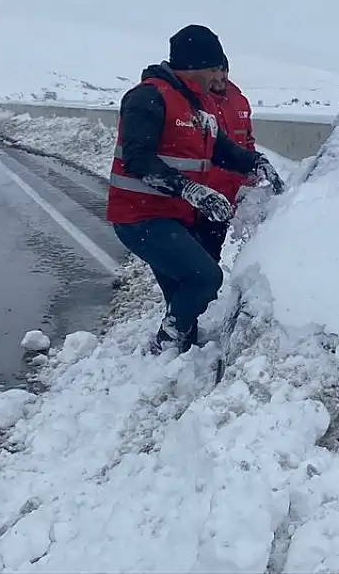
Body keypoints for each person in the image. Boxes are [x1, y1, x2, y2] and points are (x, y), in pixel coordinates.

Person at [105, 24, 284, 355]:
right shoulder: (148, 98)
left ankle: (179, 348)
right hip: (140, 216)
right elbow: (137, 159)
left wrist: (256, 162)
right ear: (193, 65)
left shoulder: (198, 106)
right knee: (205, 278)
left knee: (180, 290)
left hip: (173, 217)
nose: (219, 76)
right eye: (214, 68)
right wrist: (193, 191)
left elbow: (222, 149)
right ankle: (167, 343)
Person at [191, 54, 266, 263]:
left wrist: (252, 172)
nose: (219, 77)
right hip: (206, 195)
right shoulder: (197, 101)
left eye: (223, 70)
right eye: (214, 71)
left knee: (216, 253)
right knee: (201, 256)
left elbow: (248, 140)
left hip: (235, 194)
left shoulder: (239, 100)